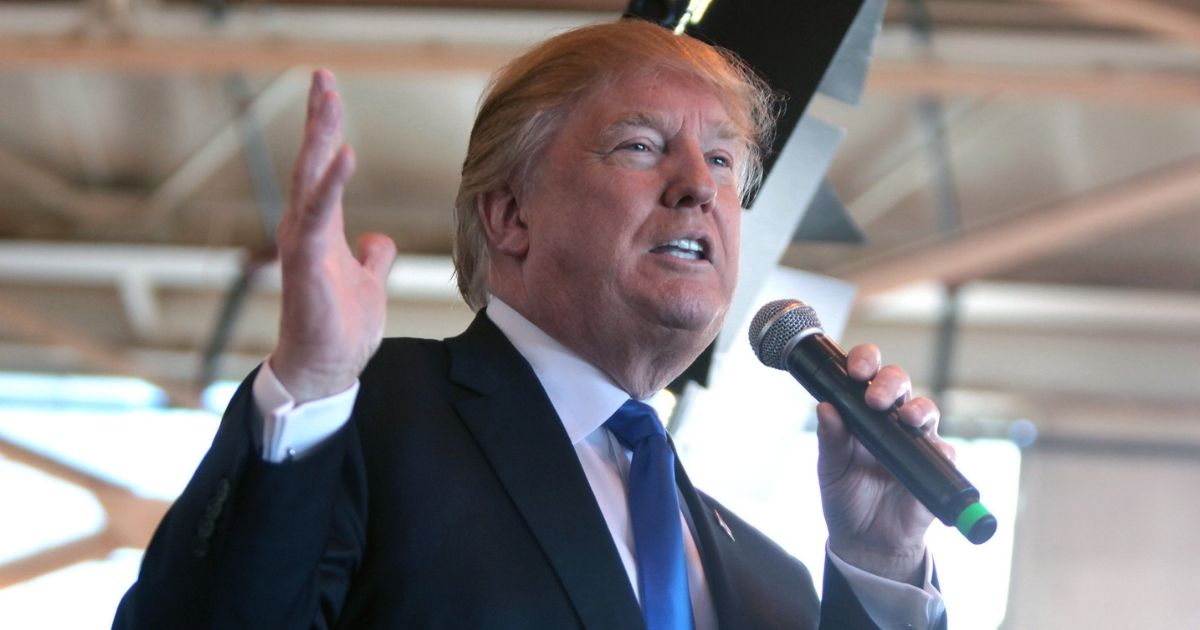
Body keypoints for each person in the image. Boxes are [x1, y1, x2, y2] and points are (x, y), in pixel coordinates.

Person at [115, 19, 950, 629]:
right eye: (639, 146)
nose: (700, 186)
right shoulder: (377, 415)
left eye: (724, 161)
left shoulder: (769, 577)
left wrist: (878, 566)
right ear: (511, 215)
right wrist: (309, 389)